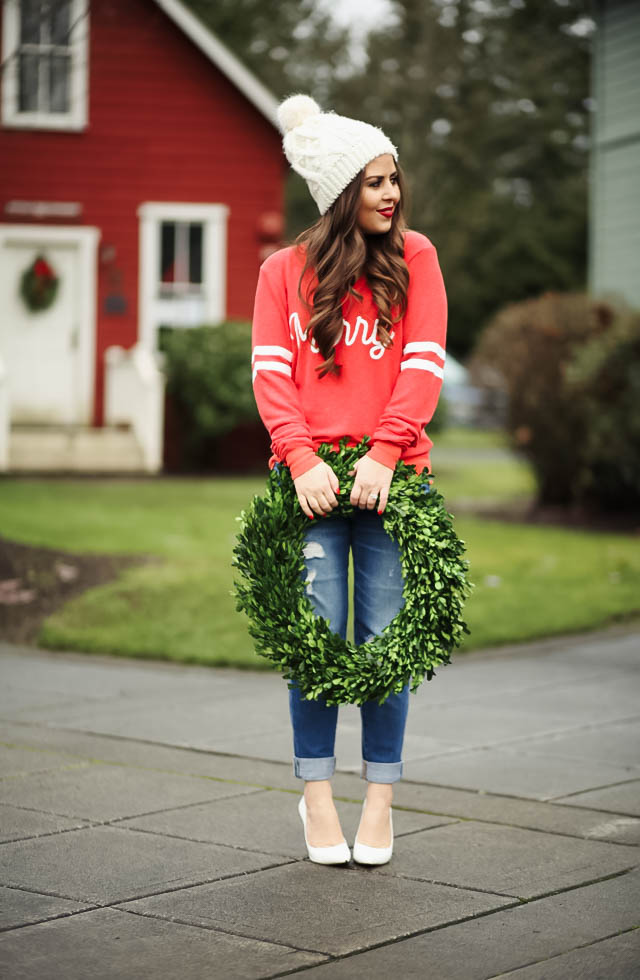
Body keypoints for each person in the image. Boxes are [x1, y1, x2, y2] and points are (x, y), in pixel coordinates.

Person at [250, 94, 447, 865]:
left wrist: (386, 451)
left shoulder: (417, 257)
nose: (391, 193)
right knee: (316, 641)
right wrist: (300, 458)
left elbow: (424, 362)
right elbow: (272, 374)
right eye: (373, 182)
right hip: (311, 489)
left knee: (383, 642)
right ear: (339, 194)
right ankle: (317, 796)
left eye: (394, 177)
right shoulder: (281, 274)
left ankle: (382, 801)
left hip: (393, 482)